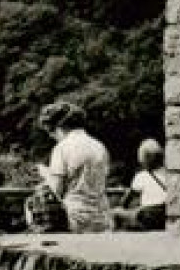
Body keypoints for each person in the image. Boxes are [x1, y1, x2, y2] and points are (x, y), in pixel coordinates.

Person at [36, 100, 111, 233]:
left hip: (76, 219)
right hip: (103, 219)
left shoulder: (62, 148)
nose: (51, 136)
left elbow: (56, 192)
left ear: (58, 128)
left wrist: (46, 174)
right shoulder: (100, 146)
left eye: (50, 131)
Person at [115, 138, 169, 230]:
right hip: (164, 215)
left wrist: (121, 207)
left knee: (116, 212)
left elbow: (126, 201)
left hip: (148, 217)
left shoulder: (141, 176)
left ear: (143, 158)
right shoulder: (169, 174)